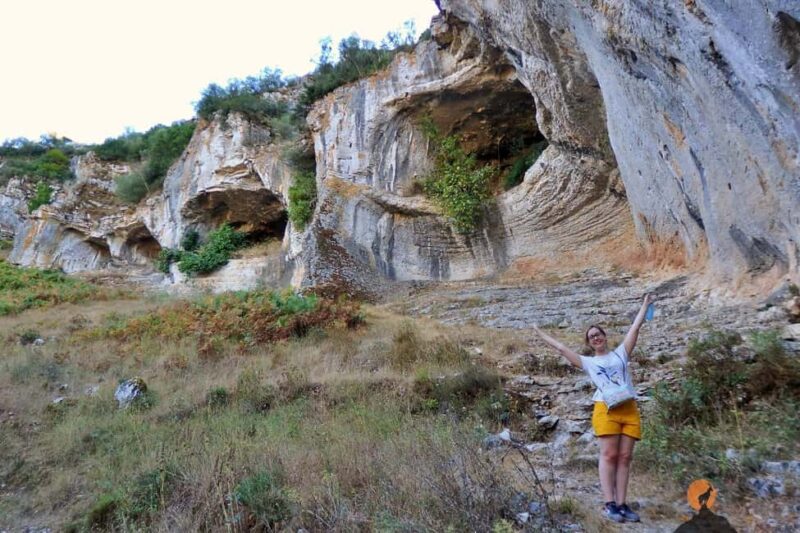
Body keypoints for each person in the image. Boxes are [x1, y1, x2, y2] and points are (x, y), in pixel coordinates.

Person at [531, 294, 653, 523]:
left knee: (625, 457)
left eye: (598, 334)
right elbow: (561, 348)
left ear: (605, 337)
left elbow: (635, 328)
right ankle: (609, 504)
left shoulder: (621, 353)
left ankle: (622, 504)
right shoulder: (588, 362)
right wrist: (539, 333)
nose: (596, 338)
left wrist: (645, 305)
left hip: (629, 408)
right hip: (605, 409)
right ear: (589, 343)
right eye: (591, 337)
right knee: (609, 454)